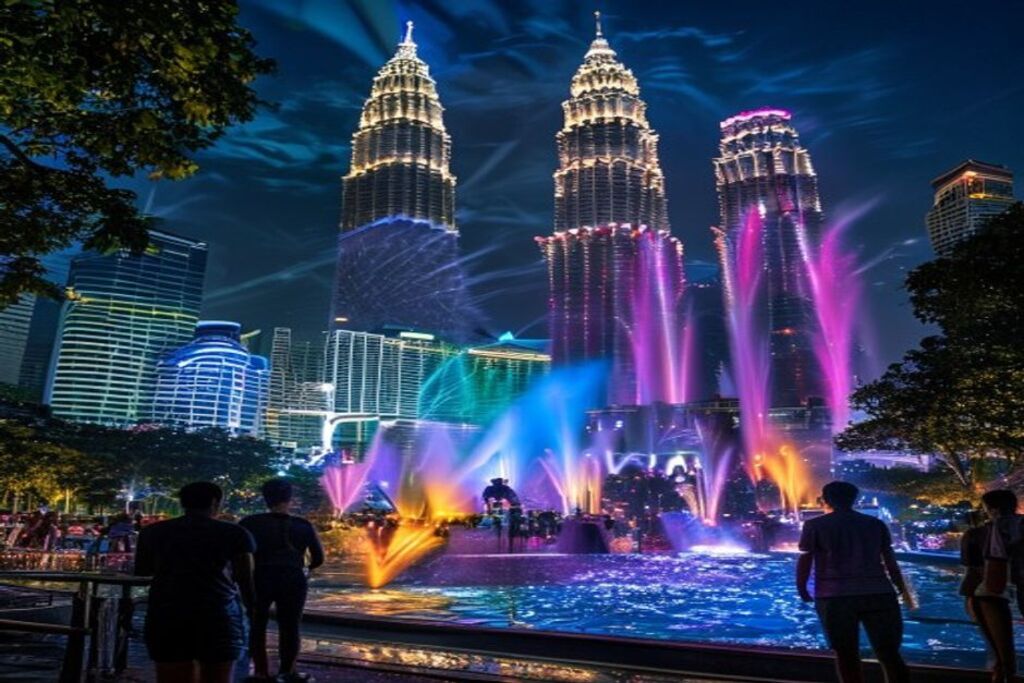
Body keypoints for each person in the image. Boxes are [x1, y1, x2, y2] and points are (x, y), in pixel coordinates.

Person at [135, 482, 255, 683]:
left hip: (167, 613)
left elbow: (142, 571)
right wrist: (253, 610)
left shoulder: (153, 532)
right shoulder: (235, 533)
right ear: (215, 503)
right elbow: (245, 578)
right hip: (219, 614)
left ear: (182, 503)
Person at [796, 481, 912, 683]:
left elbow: (806, 558)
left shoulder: (815, 525)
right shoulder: (875, 524)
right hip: (879, 593)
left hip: (835, 596)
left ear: (825, 499)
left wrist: (802, 587)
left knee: (846, 654)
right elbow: (890, 561)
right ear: (855, 499)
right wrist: (900, 587)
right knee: (889, 653)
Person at [240, 478, 324, 682]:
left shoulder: (249, 523)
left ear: (265, 498)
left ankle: (260, 671)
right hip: (292, 578)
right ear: (290, 498)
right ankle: (287, 672)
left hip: (259, 577)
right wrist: (305, 568)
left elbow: (239, 557)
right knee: (290, 626)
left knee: (256, 624)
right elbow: (318, 558)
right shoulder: (303, 525)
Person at [961, 489, 1022, 683]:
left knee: (1000, 654)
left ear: (991, 509)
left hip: (990, 594)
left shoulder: (976, 534)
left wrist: (968, 599)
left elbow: (972, 573)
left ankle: (1004, 675)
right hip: (1019, 587)